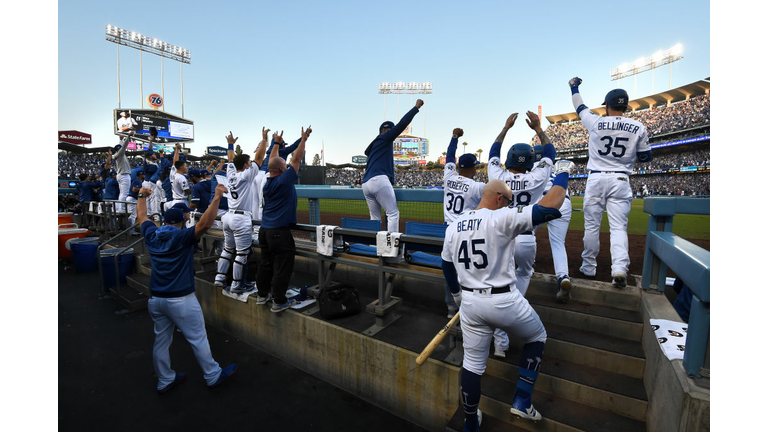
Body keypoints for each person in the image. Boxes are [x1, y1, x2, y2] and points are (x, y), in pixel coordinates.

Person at [442, 159, 574, 430]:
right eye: (509, 200)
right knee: (537, 336)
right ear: (499, 198)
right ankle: (522, 401)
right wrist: (562, 173)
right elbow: (550, 208)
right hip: (504, 300)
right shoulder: (501, 216)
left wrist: (456, 295)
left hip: (470, 303)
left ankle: (470, 423)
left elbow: (445, 264)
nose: (510, 205)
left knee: (472, 365)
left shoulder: (454, 226)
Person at [136, 183, 237, 393]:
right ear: (183, 221)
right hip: (181, 299)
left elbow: (142, 217)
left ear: (163, 221)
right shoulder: (181, 237)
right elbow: (205, 224)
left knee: (161, 341)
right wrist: (217, 197)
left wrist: (141, 195)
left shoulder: (152, 235)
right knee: (198, 337)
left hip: (156, 299)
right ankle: (212, 374)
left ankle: (164, 379)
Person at [568, 77, 652, 287]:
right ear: (625, 105)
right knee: (618, 228)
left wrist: (574, 87)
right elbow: (646, 157)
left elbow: (580, 107)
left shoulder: (595, 121)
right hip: (620, 179)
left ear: (607, 105)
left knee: (592, 227)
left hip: (596, 178)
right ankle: (619, 268)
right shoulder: (638, 126)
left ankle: (588, 267)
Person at [256, 126, 310, 313]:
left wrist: (277, 144)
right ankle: (279, 301)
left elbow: (274, 160)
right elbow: (296, 158)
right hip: (280, 232)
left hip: (264, 231)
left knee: (265, 264)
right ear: (281, 169)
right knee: (282, 268)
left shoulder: (267, 182)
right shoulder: (284, 180)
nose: (288, 167)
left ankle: (262, 295)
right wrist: (303, 139)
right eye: (284, 167)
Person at [213, 129, 268, 294]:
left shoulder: (230, 173)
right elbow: (259, 158)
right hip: (241, 218)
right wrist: (264, 139)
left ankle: (219, 278)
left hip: (228, 216)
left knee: (228, 250)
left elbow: (231, 158)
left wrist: (230, 143)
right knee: (242, 254)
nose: (251, 163)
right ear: (245, 165)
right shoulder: (246, 175)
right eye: (248, 162)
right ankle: (237, 285)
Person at [442, 127, 485, 318]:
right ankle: (469, 309)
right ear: (473, 168)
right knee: (468, 269)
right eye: (476, 166)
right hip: (465, 231)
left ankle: (452, 309)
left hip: (448, 230)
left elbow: (450, 155)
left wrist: (454, 138)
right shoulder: (476, 187)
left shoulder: (449, 177)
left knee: (449, 268)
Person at [362, 99, 423, 232]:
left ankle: (373, 247)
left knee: (375, 218)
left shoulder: (374, 146)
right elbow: (402, 124)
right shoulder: (384, 138)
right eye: (391, 129)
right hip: (379, 180)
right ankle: (391, 249)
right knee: (393, 214)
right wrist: (416, 108)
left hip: (366, 184)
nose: (393, 132)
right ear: (385, 130)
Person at [255, 134, 302, 220]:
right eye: (283, 144)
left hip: (261, 174)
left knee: (258, 201)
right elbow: (294, 146)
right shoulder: (283, 151)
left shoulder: (270, 150)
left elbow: (274, 149)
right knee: (265, 202)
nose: (284, 146)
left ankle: (257, 224)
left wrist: (275, 139)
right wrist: (303, 138)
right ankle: (259, 225)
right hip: (270, 175)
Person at [164, 144, 191, 211]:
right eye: (185, 166)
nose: (186, 167)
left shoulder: (172, 174)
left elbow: (175, 162)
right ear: (181, 167)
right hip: (182, 201)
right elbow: (187, 191)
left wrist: (177, 150)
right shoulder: (181, 177)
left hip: (175, 200)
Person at [112, 134, 132, 213]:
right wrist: (128, 136)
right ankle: (122, 208)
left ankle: (121, 208)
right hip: (124, 175)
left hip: (121, 175)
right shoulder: (120, 154)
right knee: (125, 193)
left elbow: (121, 146)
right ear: (119, 150)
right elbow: (124, 146)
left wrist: (120, 139)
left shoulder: (118, 154)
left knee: (122, 193)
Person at [126, 168, 145, 235]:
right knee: (133, 215)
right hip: (132, 198)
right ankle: (130, 231)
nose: (144, 175)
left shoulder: (135, 180)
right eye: (143, 174)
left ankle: (129, 230)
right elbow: (134, 189)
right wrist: (142, 190)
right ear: (140, 175)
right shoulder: (137, 181)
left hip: (131, 198)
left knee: (131, 215)